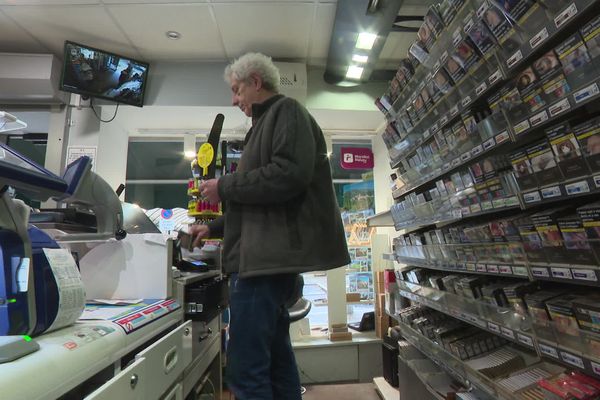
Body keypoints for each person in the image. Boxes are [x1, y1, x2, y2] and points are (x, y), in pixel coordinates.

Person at [189, 52, 350, 400]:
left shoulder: (286, 112)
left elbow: (288, 175)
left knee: (245, 369)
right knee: (277, 363)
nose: (234, 101)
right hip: (266, 262)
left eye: (237, 90)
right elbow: (260, 204)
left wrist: (225, 188)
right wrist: (213, 227)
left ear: (255, 82)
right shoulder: (263, 125)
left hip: (263, 266)